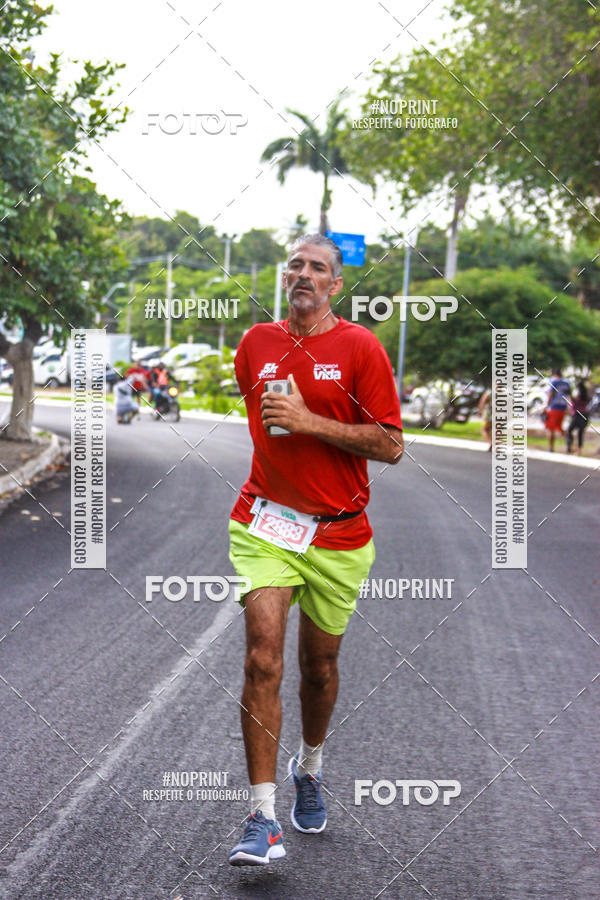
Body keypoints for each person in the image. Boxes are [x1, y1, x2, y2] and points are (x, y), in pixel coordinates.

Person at [227, 234, 404, 867]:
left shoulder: (360, 347)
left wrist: (310, 422)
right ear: (286, 277)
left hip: (339, 534)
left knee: (318, 670)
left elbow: (389, 445)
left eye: (319, 268)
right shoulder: (256, 343)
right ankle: (261, 817)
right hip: (265, 524)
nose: (304, 274)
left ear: (335, 284)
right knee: (261, 660)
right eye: (296, 264)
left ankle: (311, 765)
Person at [543, 368, 571, 452]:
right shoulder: (566, 384)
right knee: (559, 428)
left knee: (550, 429)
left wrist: (546, 406)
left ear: (555, 375)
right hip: (562, 408)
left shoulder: (554, 382)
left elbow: (550, 395)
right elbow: (569, 396)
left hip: (554, 407)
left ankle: (551, 448)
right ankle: (569, 444)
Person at [566, 380, 590, 455]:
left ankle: (570, 447)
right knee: (580, 433)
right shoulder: (586, 396)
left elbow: (573, 405)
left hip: (577, 415)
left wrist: (570, 397)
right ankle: (579, 450)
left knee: (569, 430)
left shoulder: (577, 396)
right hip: (585, 415)